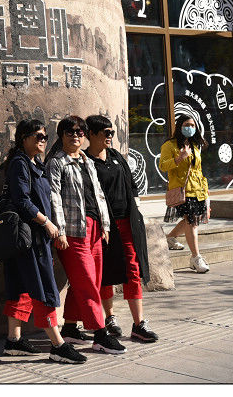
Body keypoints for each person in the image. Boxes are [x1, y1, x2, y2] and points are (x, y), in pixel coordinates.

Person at [0, 119, 87, 364]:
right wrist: (47, 223)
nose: (43, 140)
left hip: (29, 237)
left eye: (45, 137)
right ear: (23, 138)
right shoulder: (20, 163)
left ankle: (13, 340)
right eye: (38, 136)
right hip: (31, 236)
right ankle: (58, 345)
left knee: (21, 286)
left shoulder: (34, 163)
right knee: (43, 288)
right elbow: (22, 200)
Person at [45, 115, 126, 355]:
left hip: (95, 228)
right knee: (88, 282)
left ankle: (70, 327)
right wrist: (59, 230)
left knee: (91, 281)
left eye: (80, 132)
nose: (75, 136)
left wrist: (105, 226)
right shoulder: (57, 163)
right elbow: (53, 197)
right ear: (61, 136)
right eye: (70, 132)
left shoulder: (86, 161)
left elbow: (98, 194)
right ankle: (100, 335)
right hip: (73, 231)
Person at [85, 115, 158, 343]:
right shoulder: (86, 161)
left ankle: (139, 323)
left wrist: (136, 210)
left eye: (112, 133)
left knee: (132, 270)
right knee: (105, 273)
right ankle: (110, 317)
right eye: (106, 133)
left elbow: (132, 186)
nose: (110, 136)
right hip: (103, 226)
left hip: (126, 222)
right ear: (92, 134)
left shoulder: (116, 156)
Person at [161, 115, 211, 273]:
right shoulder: (169, 145)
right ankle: (196, 257)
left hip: (198, 190)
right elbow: (163, 165)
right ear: (179, 126)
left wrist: (206, 194)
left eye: (192, 125)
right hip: (182, 191)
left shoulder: (195, 146)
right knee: (192, 222)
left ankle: (170, 238)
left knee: (191, 220)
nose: (190, 128)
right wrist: (179, 158)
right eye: (186, 125)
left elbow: (199, 171)